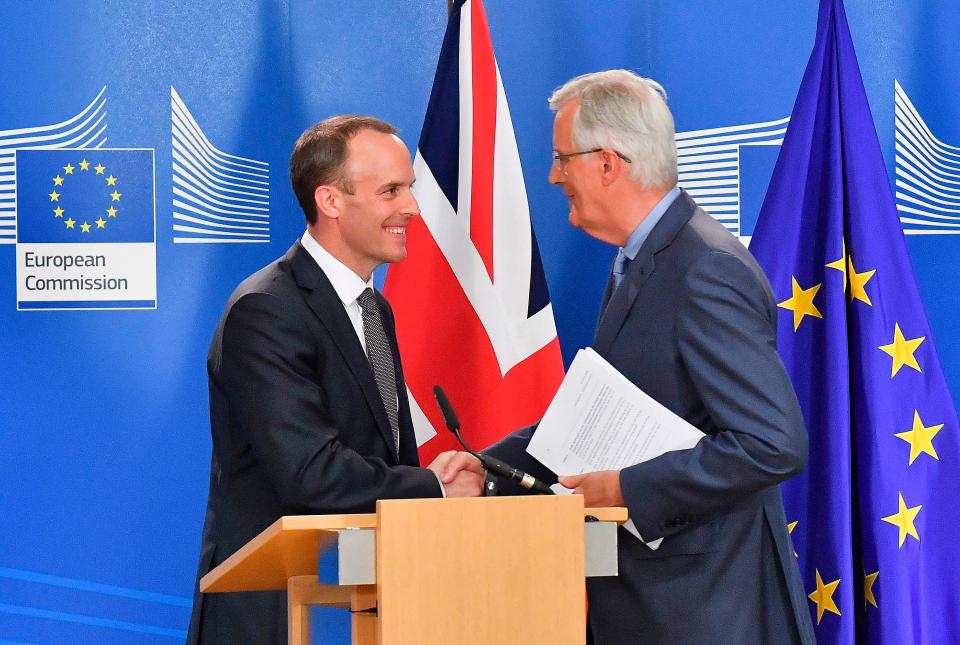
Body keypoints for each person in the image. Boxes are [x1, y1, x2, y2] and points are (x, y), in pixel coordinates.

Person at [444, 70, 816, 643]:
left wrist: (625, 489)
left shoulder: (703, 269)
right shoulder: (644, 261)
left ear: (608, 163)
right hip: (661, 608)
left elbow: (773, 443)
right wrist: (488, 469)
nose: (553, 175)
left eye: (562, 158)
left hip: (708, 611)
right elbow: (600, 425)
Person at [187, 115, 483, 644]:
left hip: (371, 602)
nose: (411, 208)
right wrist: (435, 487)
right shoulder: (267, 310)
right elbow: (310, 472)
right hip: (279, 614)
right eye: (391, 190)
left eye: (409, 189)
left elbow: (385, 458)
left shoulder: (375, 310)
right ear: (330, 201)